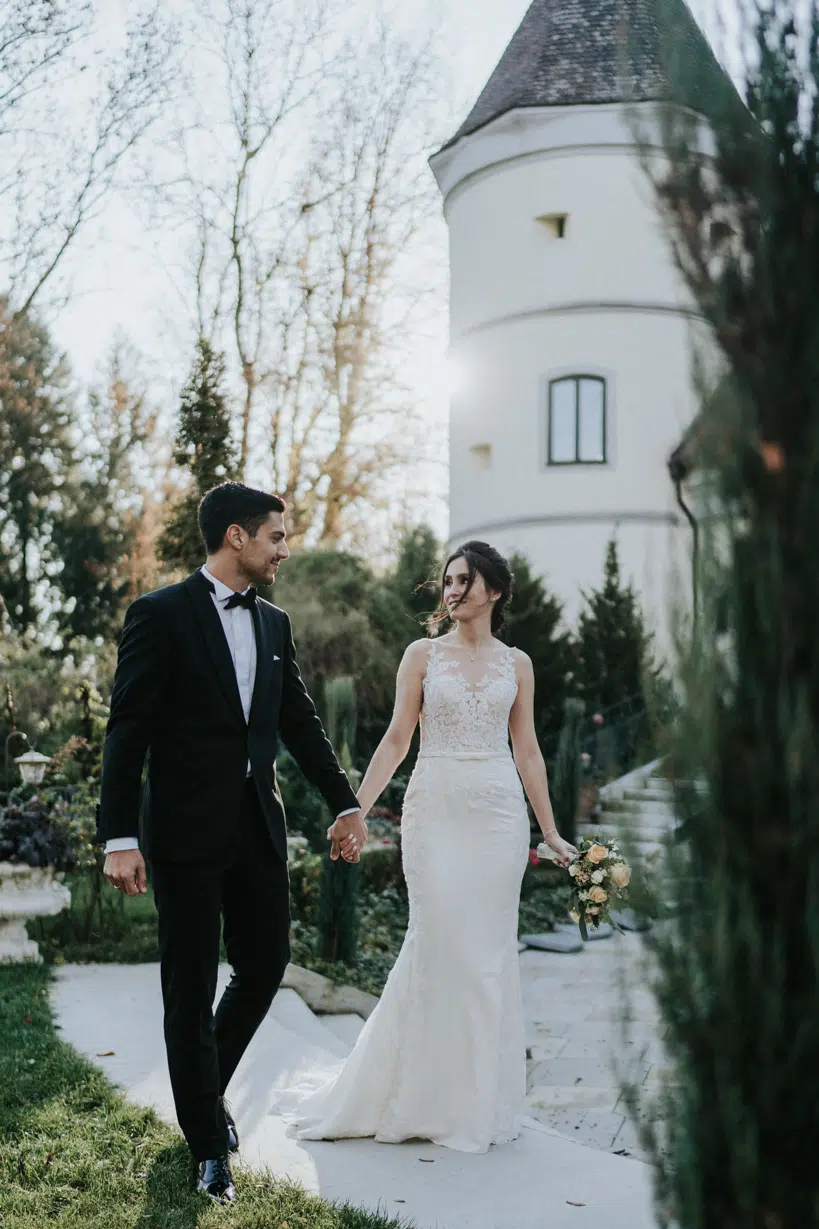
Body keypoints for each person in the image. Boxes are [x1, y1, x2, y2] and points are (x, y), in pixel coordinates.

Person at [96, 481, 366, 1205]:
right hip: (182, 834)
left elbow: (300, 724)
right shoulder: (159, 615)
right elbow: (127, 733)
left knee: (265, 961)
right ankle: (208, 1145)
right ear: (238, 537)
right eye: (276, 535)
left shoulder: (274, 624)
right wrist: (118, 835)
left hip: (255, 827)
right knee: (188, 988)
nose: (284, 548)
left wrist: (346, 802)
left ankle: (201, 1092)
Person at [278, 540, 577, 1153]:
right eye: (447, 581)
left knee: (484, 957)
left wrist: (549, 832)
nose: (452, 590)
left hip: (497, 815)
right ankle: (413, 1096)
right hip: (435, 808)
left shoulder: (516, 664)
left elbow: (527, 750)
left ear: (493, 590)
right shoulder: (421, 655)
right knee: (439, 942)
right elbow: (394, 739)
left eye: (464, 581)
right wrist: (353, 808)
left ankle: (471, 1103)